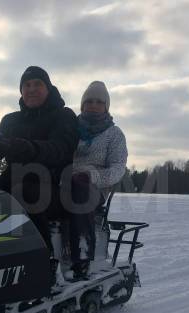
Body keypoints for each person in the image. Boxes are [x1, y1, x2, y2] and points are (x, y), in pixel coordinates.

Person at [0, 66, 79, 269]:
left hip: (55, 188)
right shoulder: (11, 120)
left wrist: (30, 148)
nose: (31, 89)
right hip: (12, 182)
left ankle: (44, 266)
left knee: (26, 194)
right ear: (21, 90)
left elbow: (61, 149)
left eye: (37, 84)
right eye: (26, 85)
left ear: (48, 88)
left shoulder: (63, 116)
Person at [68, 80, 128, 279]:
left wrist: (92, 176)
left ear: (106, 106)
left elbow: (118, 168)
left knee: (80, 191)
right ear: (82, 104)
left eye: (99, 101)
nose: (93, 105)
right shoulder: (70, 129)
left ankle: (83, 256)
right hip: (63, 181)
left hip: (94, 187)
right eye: (89, 101)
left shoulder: (114, 134)